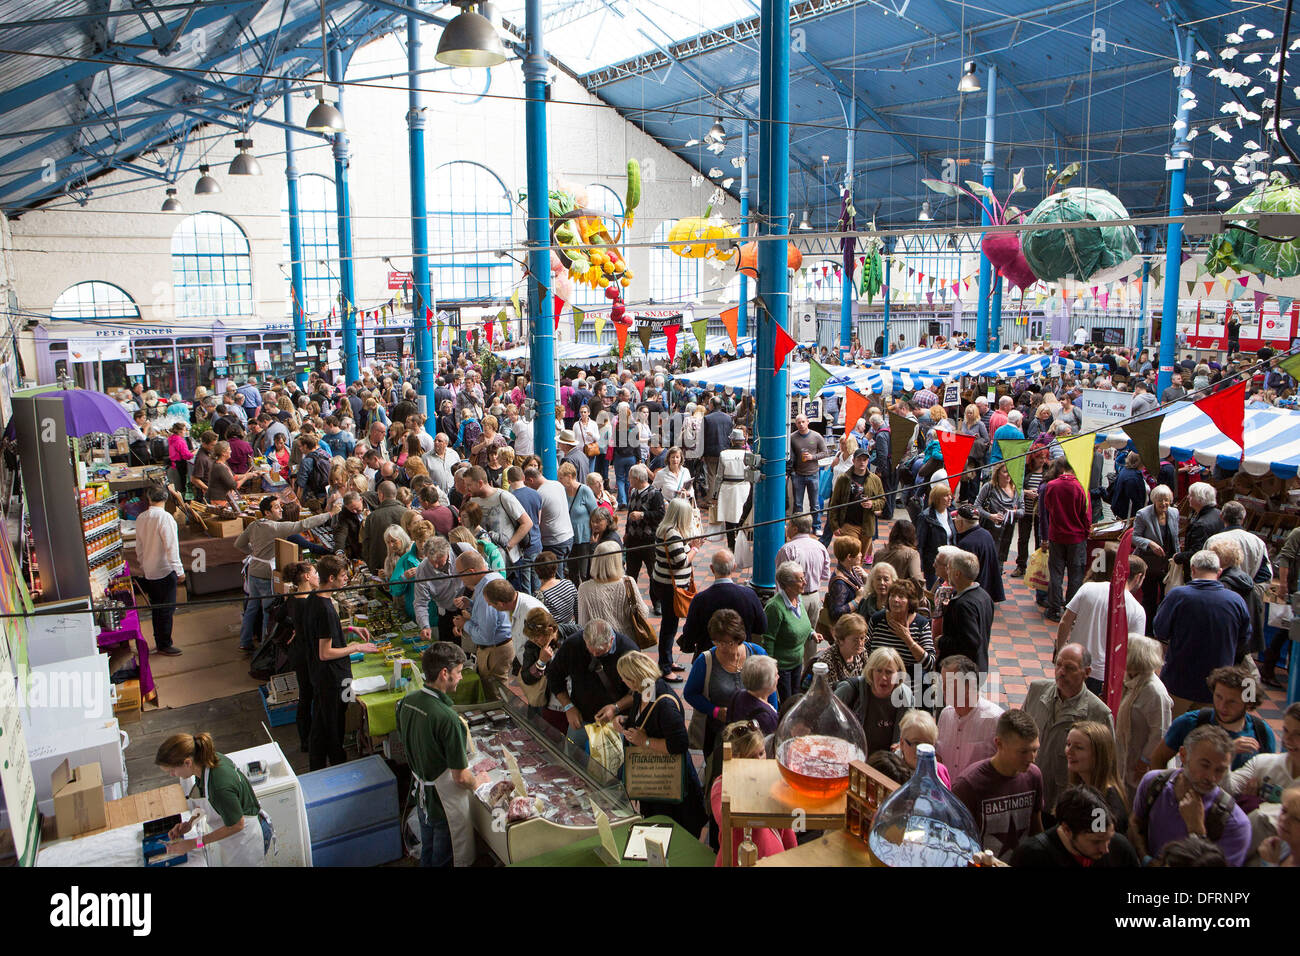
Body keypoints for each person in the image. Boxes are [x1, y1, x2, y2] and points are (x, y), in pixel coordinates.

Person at [396, 643, 488, 868]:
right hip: (442, 805)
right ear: (444, 673)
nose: (461, 678)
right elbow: (461, 777)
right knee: (444, 858)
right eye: (458, 672)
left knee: (427, 852)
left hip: (421, 796)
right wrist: (479, 783)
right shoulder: (447, 718)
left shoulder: (407, 702)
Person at [684, 609, 777, 810]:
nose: (724, 647)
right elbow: (690, 693)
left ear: (739, 637)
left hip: (756, 740)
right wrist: (716, 711)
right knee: (723, 781)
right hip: (719, 736)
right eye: (718, 642)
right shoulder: (705, 661)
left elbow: (771, 691)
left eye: (730, 642)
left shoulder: (757, 654)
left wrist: (774, 719)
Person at [1129, 724, 1251, 866]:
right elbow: (1135, 823)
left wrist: (1197, 832)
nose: (1211, 777)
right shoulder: (1153, 783)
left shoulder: (1235, 823)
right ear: (1184, 755)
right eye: (1205, 765)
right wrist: (1147, 860)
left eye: (1219, 770)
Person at [614, 651, 707, 835]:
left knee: (676, 834)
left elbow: (679, 744)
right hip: (654, 783)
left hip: (671, 788)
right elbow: (644, 719)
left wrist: (645, 742)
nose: (622, 682)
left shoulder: (665, 705)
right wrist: (625, 721)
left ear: (634, 679)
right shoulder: (647, 688)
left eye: (624, 678)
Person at [235, 494, 339, 653]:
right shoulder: (275, 527)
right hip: (264, 574)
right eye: (276, 507)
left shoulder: (254, 524)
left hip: (253, 571)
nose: (280, 509)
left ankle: (245, 641)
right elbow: (303, 524)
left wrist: (255, 553)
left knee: (251, 607)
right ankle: (265, 647)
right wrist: (329, 514)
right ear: (267, 513)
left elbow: (239, 544)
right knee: (267, 611)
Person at [1155, 550, 1251, 715]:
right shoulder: (1236, 600)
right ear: (1219, 572)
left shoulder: (1178, 595)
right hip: (1217, 686)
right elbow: (1244, 639)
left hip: (1179, 681)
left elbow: (1160, 631)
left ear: (1192, 569)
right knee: (1208, 736)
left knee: (1172, 734)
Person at [1023, 643, 1114, 815]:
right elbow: (1020, 733)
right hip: (1029, 793)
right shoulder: (1037, 690)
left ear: (1087, 672)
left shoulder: (1099, 714)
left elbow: (1106, 767)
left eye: (1070, 668)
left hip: (1066, 804)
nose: (1061, 672)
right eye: (1058, 665)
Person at [155, 732, 272, 865]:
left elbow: (237, 825)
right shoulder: (204, 764)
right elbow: (207, 802)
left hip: (247, 837)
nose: (172, 775)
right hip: (235, 838)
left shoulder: (218, 786)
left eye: (172, 771)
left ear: (187, 762)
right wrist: (189, 824)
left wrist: (194, 843)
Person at [305, 555, 378, 769]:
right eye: (343, 575)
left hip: (320, 677)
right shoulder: (326, 609)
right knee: (333, 724)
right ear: (331, 578)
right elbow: (325, 653)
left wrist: (348, 629)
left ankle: (316, 765)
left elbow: (321, 634)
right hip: (332, 679)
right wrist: (356, 647)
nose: (346, 579)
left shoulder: (314, 598)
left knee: (320, 722)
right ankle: (337, 763)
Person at [1149, 665, 1278, 776]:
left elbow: (1269, 774)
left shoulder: (1262, 733)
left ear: (1249, 704)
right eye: (1218, 697)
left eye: (1232, 702)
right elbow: (1158, 758)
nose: (1222, 706)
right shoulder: (1191, 722)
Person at [952, 709, 1045, 862]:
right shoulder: (968, 785)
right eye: (1023, 752)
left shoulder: (1034, 775)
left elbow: (1036, 829)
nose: (1032, 758)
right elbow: (956, 843)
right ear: (999, 743)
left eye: (1035, 750)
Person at [1055, 552, 1147, 695]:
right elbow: (1134, 652)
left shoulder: (1088, 588)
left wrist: (1059, 653)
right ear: (1138, 577)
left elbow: (1065, 622)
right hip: (1103, 676)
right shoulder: (1137, 610)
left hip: (1072, 665)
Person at [710, 721, 797, 866]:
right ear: (735, 759)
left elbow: (787, 831)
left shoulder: (772, 783)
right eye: (751, 757)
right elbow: (724, 817)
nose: (759, 761)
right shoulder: (721, 786)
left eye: (761, 753)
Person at [546, 620, 637, 746]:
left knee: (611, 763)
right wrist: (568, 706)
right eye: (591, 650)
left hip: (617, 721)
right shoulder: (573, 644)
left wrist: (616, 708)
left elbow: (642, 691)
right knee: (572, 758)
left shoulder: (629, 651)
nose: (594, 655)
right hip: (581, 718)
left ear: (611, 640)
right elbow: (554, 676)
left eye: (600, 652)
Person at [1011, 785, 1141, 867]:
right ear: (1067, 830)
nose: (1105, 849)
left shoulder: (1120, 848)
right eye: (1096, 842)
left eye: (1108, 838)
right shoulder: (1031, 857)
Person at [1116, 634, 1174, 796]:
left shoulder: (1154, 691)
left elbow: (1161, 732)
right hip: (1127, 752)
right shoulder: (1130, 680)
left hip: (1141, 763)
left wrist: (1145, 761)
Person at [679, 548, 767, 655]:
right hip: (741, 655)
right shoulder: (749, 595)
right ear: (734, 567)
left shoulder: (700, 600)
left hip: (709, 657)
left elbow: (690, 635)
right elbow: (762, 627)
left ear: (712, 568)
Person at [451, 550, 513, 701]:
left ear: (471, 571)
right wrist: (470, 604)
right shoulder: (489, 579)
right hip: (496, 647)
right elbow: (487, 616)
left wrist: (465, 624)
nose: (460, 579)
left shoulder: (488, 589)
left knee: (495, 696)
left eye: (460, 574)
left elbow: (485, 635)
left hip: (494, 650)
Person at [135, 485, 185, 657]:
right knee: (166, 609)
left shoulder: (141, 517)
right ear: (165, 499)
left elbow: (139, 546)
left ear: (149, 499)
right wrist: (179, 570)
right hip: (164, 570)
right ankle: (164, 644)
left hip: (149, 569)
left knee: (157, 608)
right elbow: (171, 547)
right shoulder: (165, 518)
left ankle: (160, 641)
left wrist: (143, 564)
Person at [651, 497, 697, 682]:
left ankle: (668, 661)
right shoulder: (672, 534)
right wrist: (695, 549)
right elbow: (682, 561)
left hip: (663, 583)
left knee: (670, 625)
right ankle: (664, 666)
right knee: (669, 627)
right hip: (669, 587)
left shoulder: (667, 530)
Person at [936, 654, 1005, 778]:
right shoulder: (945, 715)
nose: (944, 689)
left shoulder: (995, 719)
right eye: (943, 682)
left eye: (950, 683)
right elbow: (939, 756)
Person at [834, 647, 913, 754]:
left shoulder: (905, 696)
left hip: (886, 763)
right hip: (851, 758)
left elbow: (906, 739)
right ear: (871, 671)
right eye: (879, 671)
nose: (883, 677)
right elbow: (826, 718)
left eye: (889, 672)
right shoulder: (850, 690)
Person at [1040, 458, 1091, 623]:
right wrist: (1085, 531)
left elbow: (1048, 508)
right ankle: (1071, 610)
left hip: (1057, 535)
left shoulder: (1052, 486)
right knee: (1076, 575)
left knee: (1056, 573)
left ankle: (1054, 608)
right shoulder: (1082, 487)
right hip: (1076, 538)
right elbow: (1087, 516)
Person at [1062, 720, 1129, 832]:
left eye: (1079, 748)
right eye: (1068, 744)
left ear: (1099, 755)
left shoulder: (1109, 801)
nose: (1069, 751)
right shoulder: (1081, 788)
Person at [867, 580, 935, 686]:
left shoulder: (921, 624)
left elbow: (930, 663)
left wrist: (908, 639)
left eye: (901, 597)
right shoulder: (877, 620)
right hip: (879, 682)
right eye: (892, 596)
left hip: (910, 686)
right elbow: (865, 652)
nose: (895, 600)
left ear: (910, 602)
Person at [936, 550, 994, 673]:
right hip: (979, 666)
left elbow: (969, 642)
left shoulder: (964, 605)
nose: (947, 572)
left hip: (961, 673)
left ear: (957, 573)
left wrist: (941, 641)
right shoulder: (984, 596)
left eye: (949, 568)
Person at [1132, 484, 1179, 634]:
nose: (1164, 503)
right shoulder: (1143, 514)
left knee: (1167, 598)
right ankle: (1147, 631)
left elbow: (1175, 538)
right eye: (1160, 500)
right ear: (1154, 500)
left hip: (1167, 564)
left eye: (1167, 500)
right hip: (1149, 563)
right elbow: (1134, 537)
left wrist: (1177, 557)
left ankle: (1162, 630)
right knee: (1149, 599)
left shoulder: (1174, 513)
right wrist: (1150, 544)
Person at [764, 561, 813, 702]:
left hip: (797, 662)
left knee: (796, 697)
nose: (805, 582)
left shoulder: (798, 599)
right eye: (800, 579)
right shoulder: (775, 608)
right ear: (787, 585)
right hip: (782, 667)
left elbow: (801, 624)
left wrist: (811, 633)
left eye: (803, 577)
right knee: (787, 702)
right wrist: (771, 667)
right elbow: (768, 639)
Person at [776, 513, 831, 631]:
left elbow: (780, 580)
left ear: (795, 528)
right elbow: (825, 575)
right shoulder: (820, 547)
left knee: (792, 639)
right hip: (815, 598)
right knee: (811, 641)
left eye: (788, 525)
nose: (786, 528)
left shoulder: (787, 549)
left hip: (794, 599)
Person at [826, 447, 885, 554]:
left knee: (860, 559)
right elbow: (834, 503)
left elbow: (882, 500)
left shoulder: (875, 479)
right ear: (853, 461)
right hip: (849, 524)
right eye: (859, 459)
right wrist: (835, 525)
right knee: (852, 555)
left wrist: (872, 504)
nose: (862, 462)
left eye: (865, 460)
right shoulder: (843, 479)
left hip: (867, 526)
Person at [624, 464, 666, 603]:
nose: (629, 480)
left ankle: (657, 602)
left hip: (649, 540)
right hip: (633, 540)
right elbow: (630, 514)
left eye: (631, 478)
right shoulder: (633, 492)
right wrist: (626, 531)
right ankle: (631, 602)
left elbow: (660, 514)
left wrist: (642, 515)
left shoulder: (655, 494)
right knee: (631, 574)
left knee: (653, 573)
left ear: (637, 478)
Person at [952, 503, 1005, 603]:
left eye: (956, 518)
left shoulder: (967, 543)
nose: (954, 521)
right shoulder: (986, 534)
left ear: (962, 522)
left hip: (973, 596)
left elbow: (965, 575)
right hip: (986, 593)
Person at [789, 412, 828, 533]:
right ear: (796, 424)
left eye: (803, 422)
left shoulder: (816, 436)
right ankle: (798, 527)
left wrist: (813, 457)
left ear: (807, 422)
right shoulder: (792, 437)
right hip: (798, 474)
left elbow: (825, 452)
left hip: (813, 473)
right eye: (798, 422)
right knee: (798, 504)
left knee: (815, 503)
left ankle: (816, 527)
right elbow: (789, 455)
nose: (801, 424)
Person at [897, 709, 951, 785]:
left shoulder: (941, 771)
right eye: (916, 743)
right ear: (902, 744)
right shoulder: (890, 772)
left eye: (927, 744)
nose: (922, 750)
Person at [916, 483, 955, 589]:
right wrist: (919, 567)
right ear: (937, 498)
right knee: (934, 592)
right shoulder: (925, 517)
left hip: (949, 562)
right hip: (933, 564)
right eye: (946, 495)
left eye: (950, 495)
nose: (950, 498)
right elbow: (919, 544)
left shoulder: (949, 513)